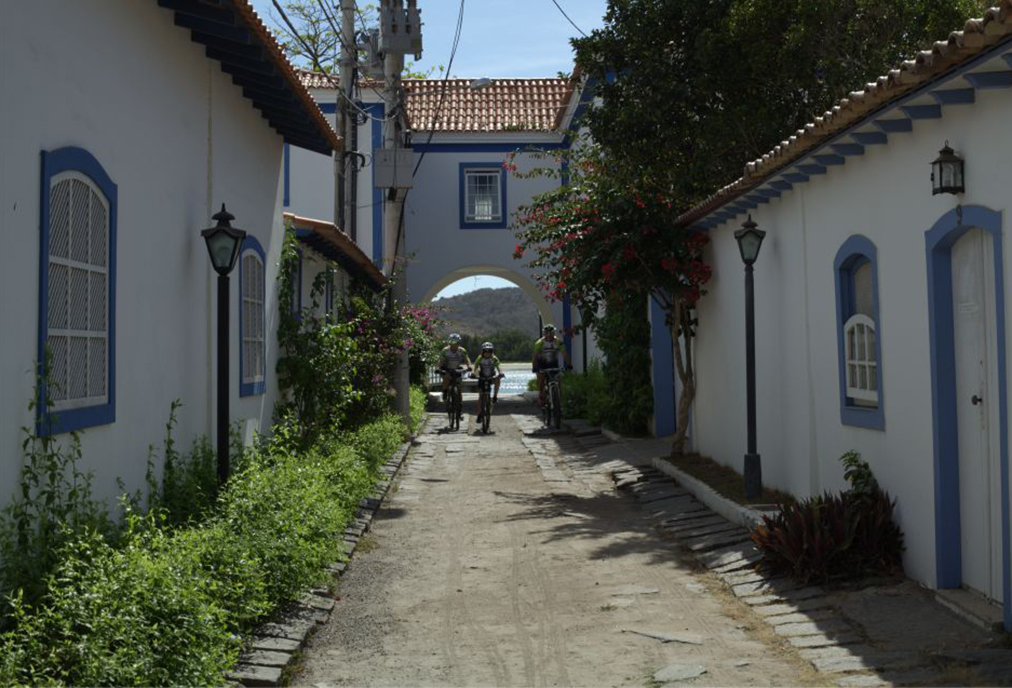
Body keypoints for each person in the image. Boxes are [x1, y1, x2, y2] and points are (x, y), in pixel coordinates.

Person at [532, 324, 571, 407]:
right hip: (542, 364)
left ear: (554, 333)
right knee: (541, 380)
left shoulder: (558, 342)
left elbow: (565, 354)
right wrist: (534, 367)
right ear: (544, 334)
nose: (549, 335)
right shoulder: (539, 343)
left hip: (554, 364)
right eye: (547, 333)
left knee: (558, 381)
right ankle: (541, 395)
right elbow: (535, 356)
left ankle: (559, 401)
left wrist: (568, 364)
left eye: (551, 333)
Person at [438, 334, 471, 411]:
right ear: (449, 343)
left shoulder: (462, 350)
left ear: (459, 343)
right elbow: (440, 361)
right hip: (446, 368)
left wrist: (469, 366)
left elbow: (467, 359)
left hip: (457, 368)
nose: (454, 345)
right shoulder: (445, 350)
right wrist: (438, 368)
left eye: (456, 343)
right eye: (452, 343)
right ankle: (445, 391)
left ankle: (459, 405)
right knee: (446, 377)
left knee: (459, 387)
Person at [474, 341, 504, 423]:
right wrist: (474, 374)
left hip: (491, 376)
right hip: (482, 377)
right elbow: (476, 367)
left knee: (498, 379)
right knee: (480, 396)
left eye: (489, 351)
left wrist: (501, 372)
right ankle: (479, 413)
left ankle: (495, 397)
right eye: (485, 351)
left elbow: (499, 366)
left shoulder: (494, 358)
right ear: (482, 352)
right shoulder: (480, 358)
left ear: (492, 351)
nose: (487, 353)